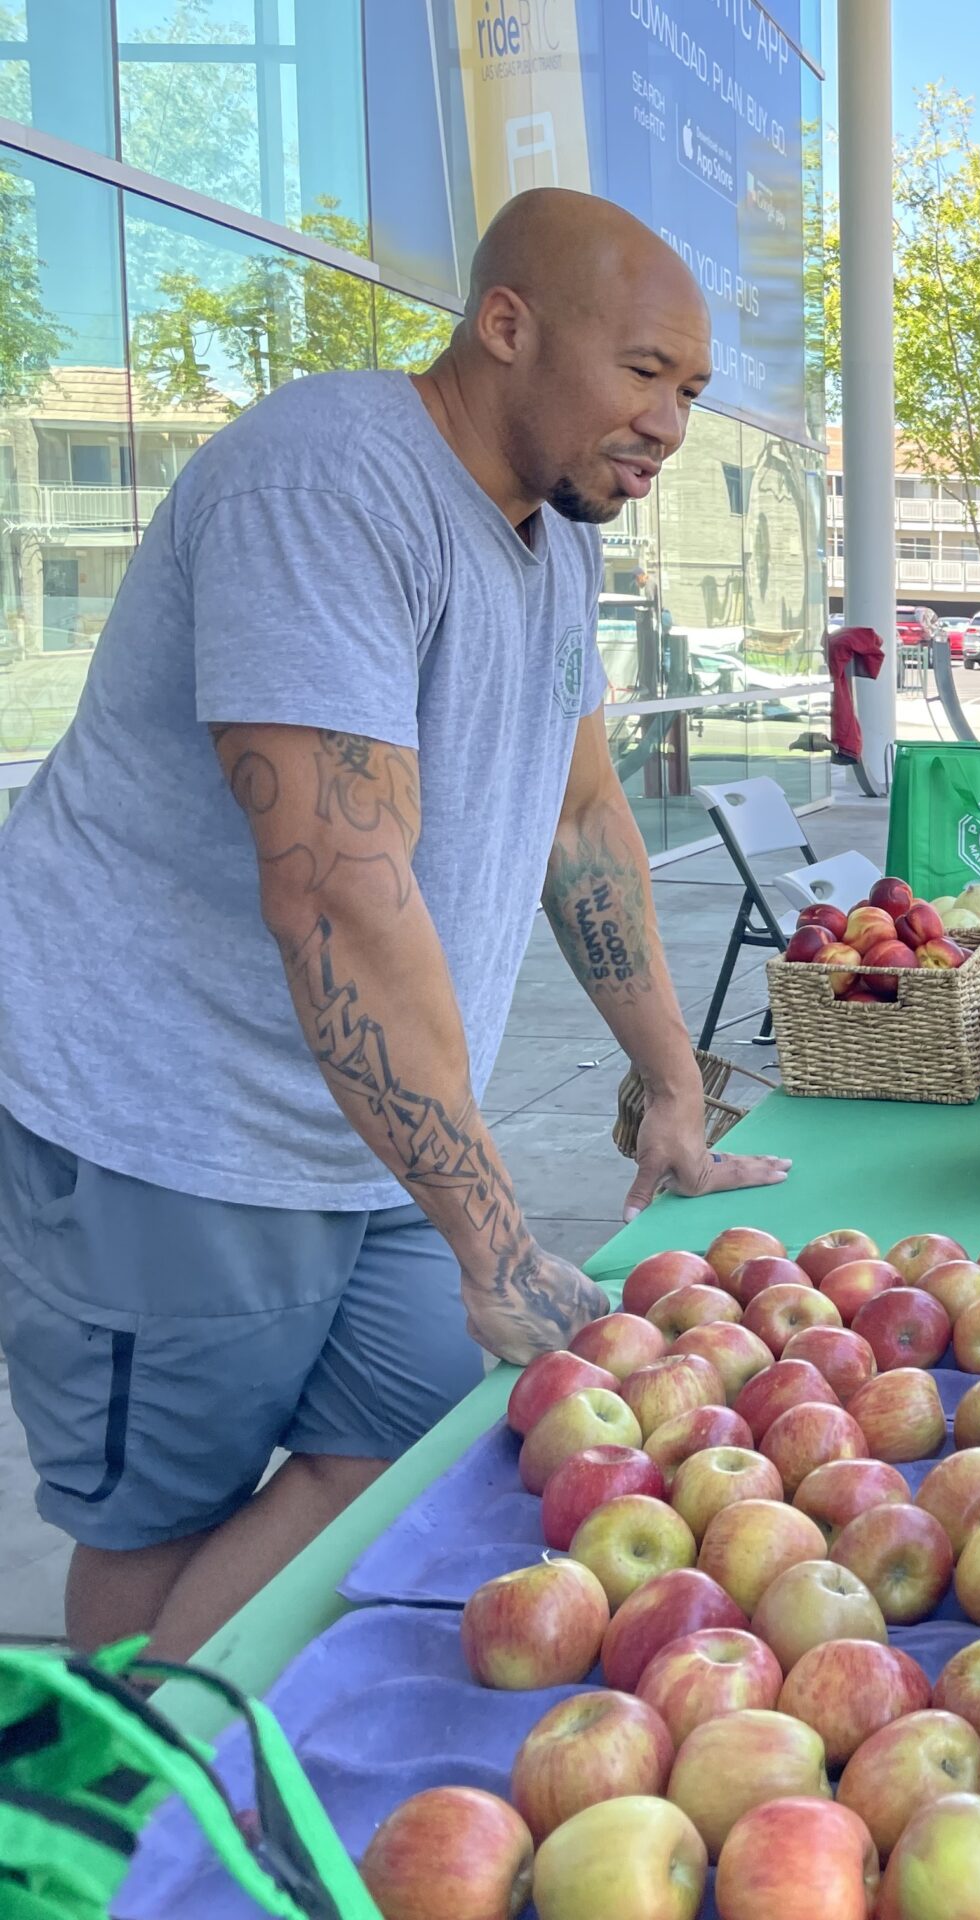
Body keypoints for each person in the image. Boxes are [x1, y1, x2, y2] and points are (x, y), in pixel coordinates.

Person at [0, 188, 791, 1660]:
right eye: (643, 374)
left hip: (382, 1133)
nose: (672, 426)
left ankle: (189, 1739)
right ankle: (114, 1833)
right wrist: (493, 1234)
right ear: (505, 326)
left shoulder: (554, 541)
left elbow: (581, 817)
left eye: (689, 392)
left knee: (405, 1444)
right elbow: (336, 887)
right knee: (154, 1525)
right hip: (165, 1130)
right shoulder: (327, 484)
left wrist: (672, 1084)